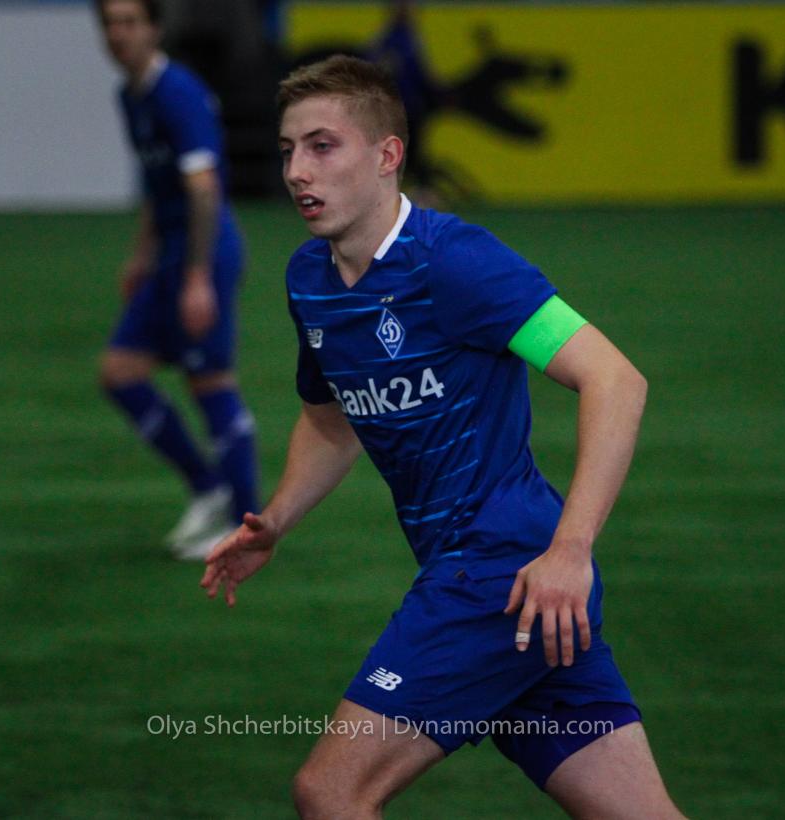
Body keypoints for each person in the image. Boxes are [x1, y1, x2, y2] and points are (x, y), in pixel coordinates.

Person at [201, 56, 684, 817]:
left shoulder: (456, 261)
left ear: (387, 155)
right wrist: (278, 521)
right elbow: (331, 418)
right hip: (522, 593)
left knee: (330, 792)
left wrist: (571, 551)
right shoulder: (310, 279)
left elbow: (616, 379)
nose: (297, 171)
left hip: (500, 571)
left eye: (323, 146)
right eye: (289, 149)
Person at [94, 0, 258, 559]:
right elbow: (156, 183)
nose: (117, 34)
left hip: (200, 256)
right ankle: (208, 488)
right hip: (169, 257)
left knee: (210, 381)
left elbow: (204, 190)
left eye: (129, 22)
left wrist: (197, 277)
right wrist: (141, 255)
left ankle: (244, 525)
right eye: (109, 24)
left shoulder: (177, 92)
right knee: (119, 372)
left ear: (155, 29)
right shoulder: (131, 94)